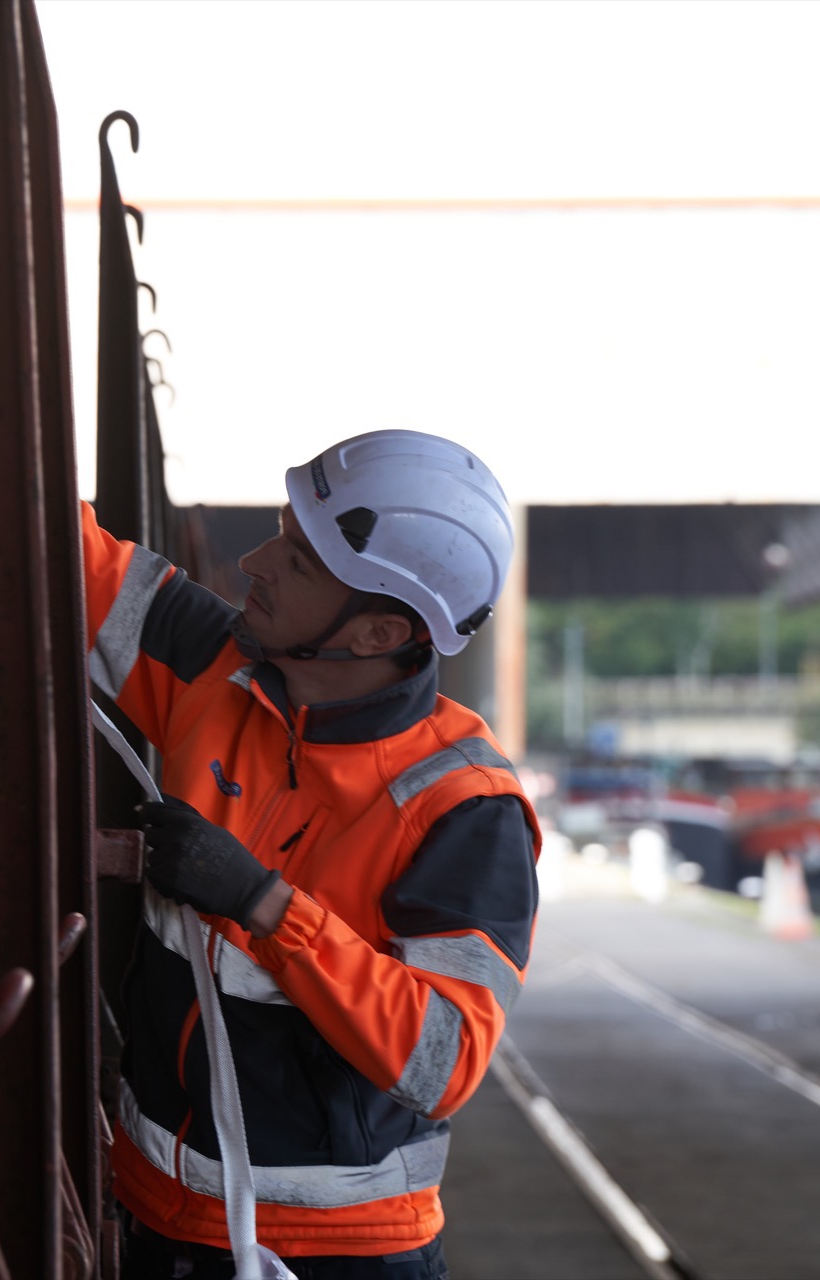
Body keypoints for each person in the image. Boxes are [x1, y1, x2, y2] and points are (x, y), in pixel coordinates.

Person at [82, 430, 540, 1280]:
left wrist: (262, 903)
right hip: (153, 1219)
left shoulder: (463, 808)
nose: (254, 561)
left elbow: (441, 1058)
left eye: (295, 559)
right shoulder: (214, 666)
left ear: (375, 632)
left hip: (337, 1257)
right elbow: (59, 553)